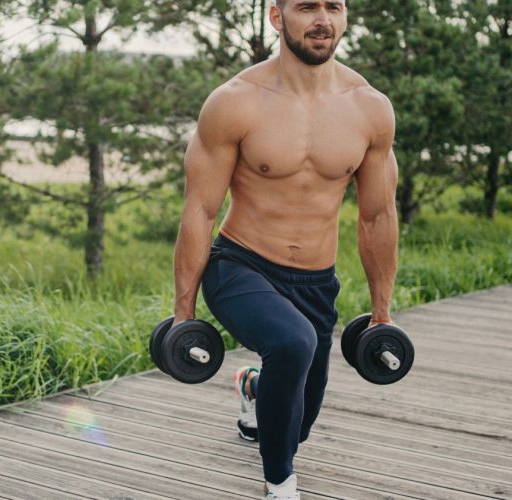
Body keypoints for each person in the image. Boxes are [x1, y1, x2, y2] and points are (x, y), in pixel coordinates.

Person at [170, 0, 399, 498]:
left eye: (333, 6)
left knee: (298, 421)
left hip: (316, 281)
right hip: (240, 265)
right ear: (278, 18)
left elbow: (377, 216)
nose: (322, 19)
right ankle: (280, 485)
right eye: (307, 7)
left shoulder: (369, 108)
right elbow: (200, 210)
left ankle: (254, 389)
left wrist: (382, 312)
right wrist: (182, 312)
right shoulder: (236, 102)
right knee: (294, 345)